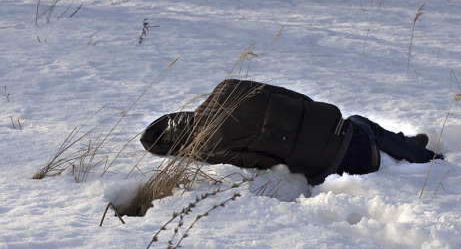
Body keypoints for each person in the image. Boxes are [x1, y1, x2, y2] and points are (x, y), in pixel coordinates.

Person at [140, 79, 442, 185]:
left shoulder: (208, 148)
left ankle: (409, 149)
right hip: (351, 136)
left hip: (333, 169)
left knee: (353, 131)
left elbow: (259, 161)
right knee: (360, 122)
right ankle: (419, 152)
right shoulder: (227, 87)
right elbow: (295, 97)